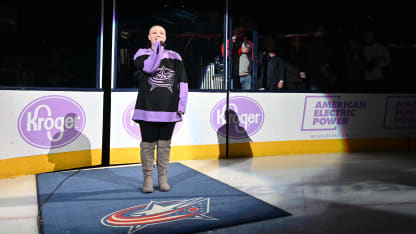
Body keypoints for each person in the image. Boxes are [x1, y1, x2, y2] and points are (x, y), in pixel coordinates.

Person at [132, 25, 188, 193]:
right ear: (148, 36)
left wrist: (182, 103)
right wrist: (157, 48)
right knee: (147, 146)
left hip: (169, 110)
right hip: (147, 109)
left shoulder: (175, 56)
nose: (158, 35)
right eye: (154, 33)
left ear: (166, 37)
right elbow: (149, 68)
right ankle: (147, 178)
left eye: (162, 33)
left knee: (165, 146)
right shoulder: (141, 54)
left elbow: (183, 81)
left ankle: (162, 177)